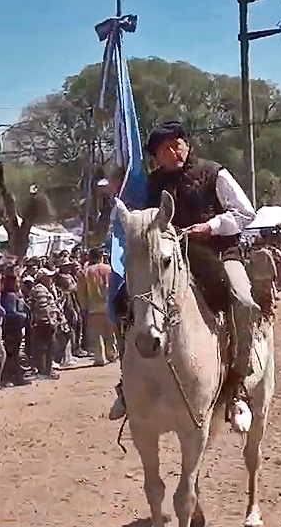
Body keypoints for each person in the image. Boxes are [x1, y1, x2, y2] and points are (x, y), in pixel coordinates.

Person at [107, 121, 257, 433]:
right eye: (163, 150)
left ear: (186, 145)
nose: (172, 152)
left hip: (215, 252)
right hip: (169, 259)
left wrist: (210, 226)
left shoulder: (214, 172)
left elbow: (245, 213)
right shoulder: (149, 185)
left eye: (177, 145)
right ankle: (127, 383)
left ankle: (238, 385)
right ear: (155, 157)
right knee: (123, 301)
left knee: (242, 299)